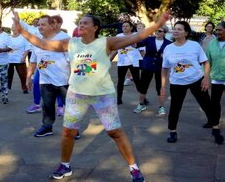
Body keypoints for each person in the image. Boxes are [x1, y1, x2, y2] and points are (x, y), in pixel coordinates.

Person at [13, 10, 170, 181]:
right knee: (68, 132)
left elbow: (136, 37)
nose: (81, 25)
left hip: (102, 95)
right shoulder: (70, 43)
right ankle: (65, 165)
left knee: (115, 132)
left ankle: (134, 169)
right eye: (80, 23)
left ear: (95, 27)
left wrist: (158, 23)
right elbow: (43, 44)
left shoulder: (106, 43)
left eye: (85, 23)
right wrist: (21, 30)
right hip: (76, 94)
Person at [161, 21, 215, 143]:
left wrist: (206, 78)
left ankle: (212, 122)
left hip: (196, 79)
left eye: (179, 29)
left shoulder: (194, 45)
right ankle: (172, 131)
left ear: (186, 32)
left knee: (206, 103)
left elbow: (205, 62)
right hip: (177, 83)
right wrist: (163, 86)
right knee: (175, 107)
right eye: (174, 29)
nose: (175, 31)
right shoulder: (168, 48)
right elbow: (165, 68)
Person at [25, 15, 70, 137]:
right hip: (45, 80)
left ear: (53, 25)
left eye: (43, 25)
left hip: (64, 80)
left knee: (71, 107)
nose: (40, 27)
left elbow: (72, 60)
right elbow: (33, 60)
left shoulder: (64, 38)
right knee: (47, 105)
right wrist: (29, 77)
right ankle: (47, 127)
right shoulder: (37, 40)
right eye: (39, 25)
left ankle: (73, 129)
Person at [133, 25, 172, 114]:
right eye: (156, 31)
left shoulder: (168, 43)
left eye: (160, 31)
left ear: (164, 33)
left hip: (160, 67)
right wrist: (132, 40)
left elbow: (171, 55)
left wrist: (166, 57)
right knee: (144, 85)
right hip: (147, 66)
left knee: (160, 87)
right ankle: (141, 104)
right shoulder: (149, 39)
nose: (157, 32)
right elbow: (136, 44)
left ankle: (161, 107)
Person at [110, 21, 143, 105]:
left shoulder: (136, 35)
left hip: (133, 61)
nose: (124, 27)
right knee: (120, 81)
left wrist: (144, 60)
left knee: (137, 81)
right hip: (122, 62)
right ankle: (119, 99)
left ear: (131, 27)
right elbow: (115, 50)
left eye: (127, 26)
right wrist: (109, 59)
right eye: (123, 26)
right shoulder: (118, 36)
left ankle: (143, 98)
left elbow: (141, 49)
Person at [205, 21, 225, 144]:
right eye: (216, 30)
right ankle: (215, 127)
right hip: (216, 79)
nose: (217, 32)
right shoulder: (212, 44)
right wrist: (205, 77)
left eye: (220, 30)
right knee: (215, 104)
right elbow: (207, 62)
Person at [8, 23, 30, 94]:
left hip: (19, 59)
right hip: (9, 59)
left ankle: (25, 88)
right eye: (12, 27)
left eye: (15, 27)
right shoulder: (9, 37)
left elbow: (27, 48)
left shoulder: (23, 37)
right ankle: (7, 87)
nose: (13, 28)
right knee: (8, 74)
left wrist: (24, 57)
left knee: (22, 74)